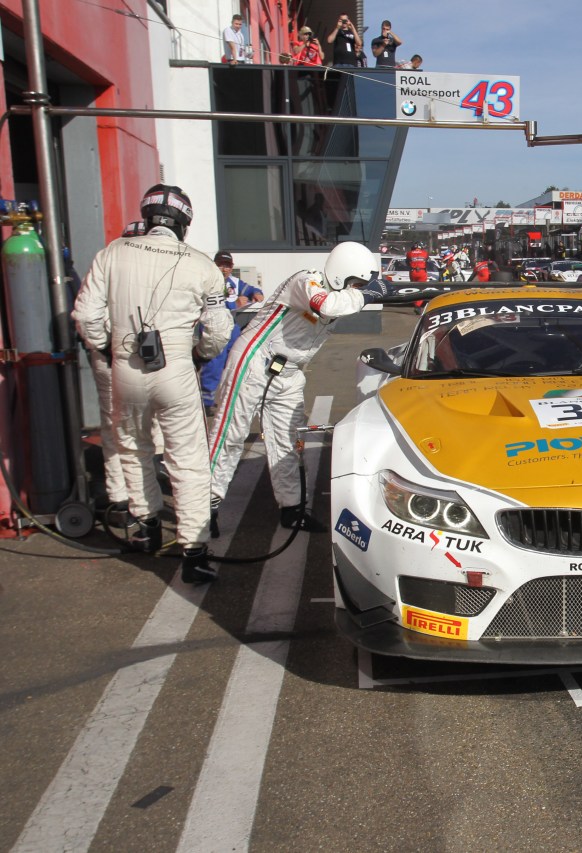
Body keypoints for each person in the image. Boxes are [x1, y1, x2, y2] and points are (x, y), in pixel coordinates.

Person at [73, 185, 233, 583]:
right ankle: (193, 552)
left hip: (125, 366)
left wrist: (107, 351)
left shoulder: (112, 252)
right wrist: (198, 356)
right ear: (185, 223)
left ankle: (146, 530)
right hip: (176, 367)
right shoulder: (202, 265)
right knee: (188, 461)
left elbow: (86, 315)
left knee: (133, 447)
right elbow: (219, 329)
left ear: (146, 218)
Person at [208, 243, 390, 535]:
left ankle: (292, 509)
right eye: (356, 283)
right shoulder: (307, 280)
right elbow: (326, 305)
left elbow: (338, 303)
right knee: (230, 435)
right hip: (254, 360)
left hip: (289, 372)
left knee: (287, 443)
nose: (357, 289)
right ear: (342, 274)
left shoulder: (339, 295)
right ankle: (206, 509)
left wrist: (379, 292)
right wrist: (368, 294)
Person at [199, 251, 264, 416]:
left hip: (232, 326)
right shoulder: (208, 281)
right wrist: (233, 303)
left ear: (231, 267)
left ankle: (230, 398)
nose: (224, 269)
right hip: (212, 326)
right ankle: (206, 401)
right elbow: (208, 305)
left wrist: (256, 293)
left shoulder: (234, 282)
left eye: (227, 265)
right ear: (214, 265)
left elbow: (251, 289)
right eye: (220, 264)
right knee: (214, 363)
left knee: (236, 360)